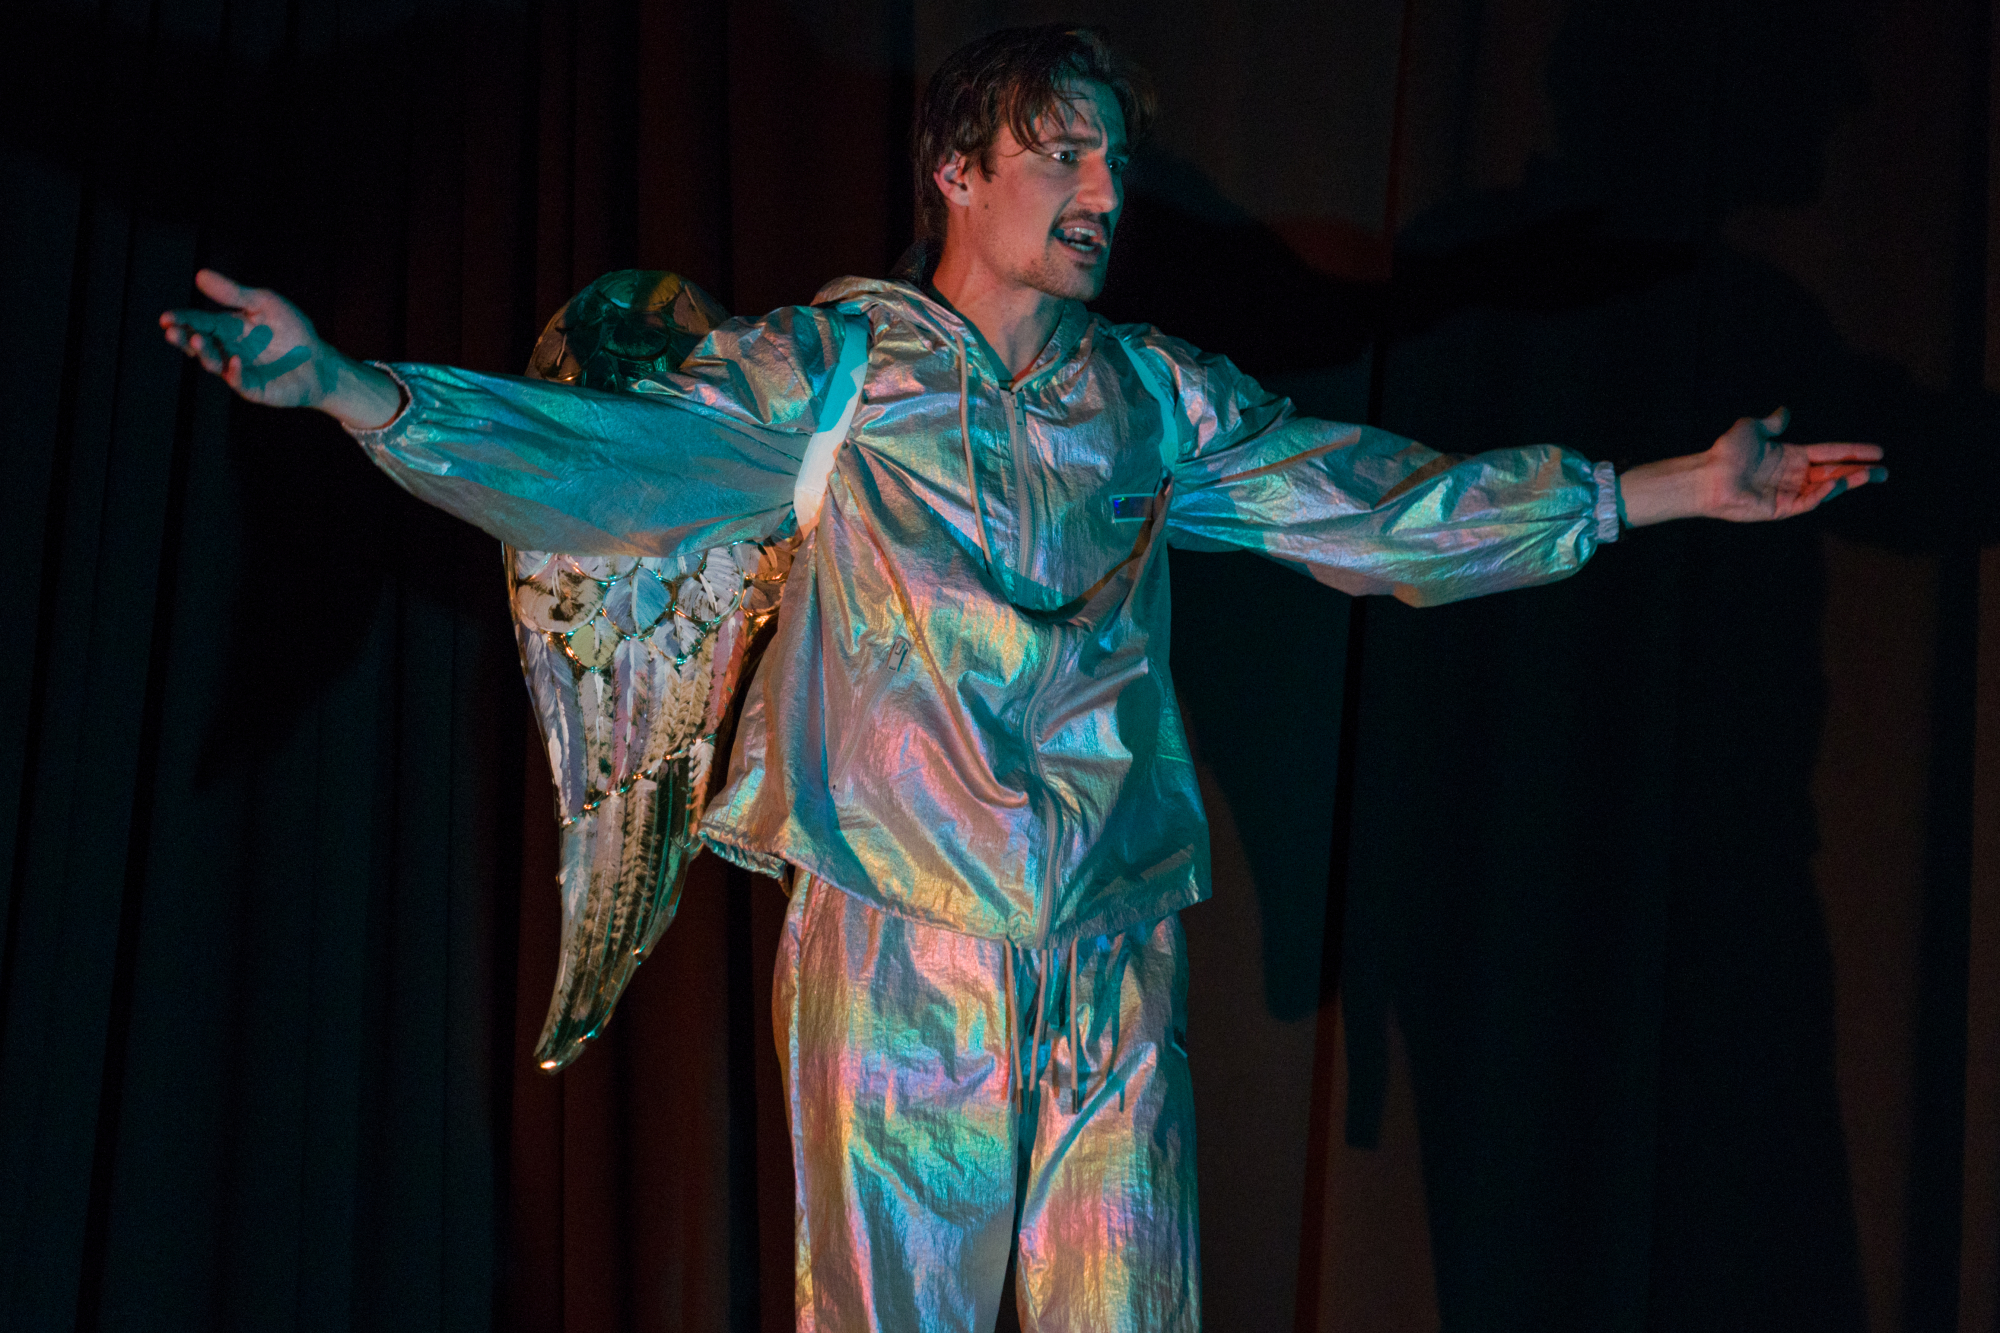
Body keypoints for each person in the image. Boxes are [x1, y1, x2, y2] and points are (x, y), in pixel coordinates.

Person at [160, 24, 1882, 1332]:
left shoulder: (1152, 400)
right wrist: (355, 391)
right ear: (957, 172)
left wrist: (1662, 488)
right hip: (900, 935)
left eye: (1115, 159)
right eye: (1062, 152)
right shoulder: (837, 372)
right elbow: (603, 462)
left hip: (1110, 952)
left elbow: (1376, 506)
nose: (1105, 191)